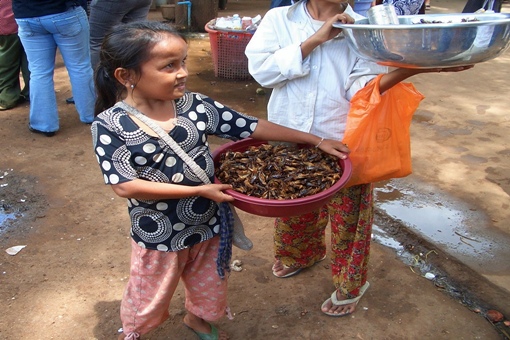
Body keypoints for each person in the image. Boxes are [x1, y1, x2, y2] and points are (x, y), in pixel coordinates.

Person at [91, 20, 350, 340]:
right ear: (126, 76)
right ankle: (132, 331)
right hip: (159, 232)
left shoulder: (195, 105)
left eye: (182, 62)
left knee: (211, 280)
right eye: (169, 66)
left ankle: (197, 319)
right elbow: (124, 185)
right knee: (150, 292)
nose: (182, 72)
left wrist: (314, 140)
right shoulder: (111, 125)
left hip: (209, 222)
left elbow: (250, 127)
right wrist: (199, 189)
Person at [245, 0, 472, 317]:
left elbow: (362, 89)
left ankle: (350, 284)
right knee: (295, 204)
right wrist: (316, 40)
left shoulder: (364, 28)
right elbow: (262, 73)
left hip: (343, 139)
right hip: (290, 132)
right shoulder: (278, 19)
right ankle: (301, 255)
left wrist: (416, 68)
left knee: (350, 217)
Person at [12, 0, 95, 137]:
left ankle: (43, 125)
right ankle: (90, 115)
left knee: (39, 72)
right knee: (79, 67)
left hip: (26, 16)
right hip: (65, 13)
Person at [0, 0, 29, 111]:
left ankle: (7, 97)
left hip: (7, 22)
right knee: (29, 60)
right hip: (28, 19)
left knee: (7, 63)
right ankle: (32, 93)